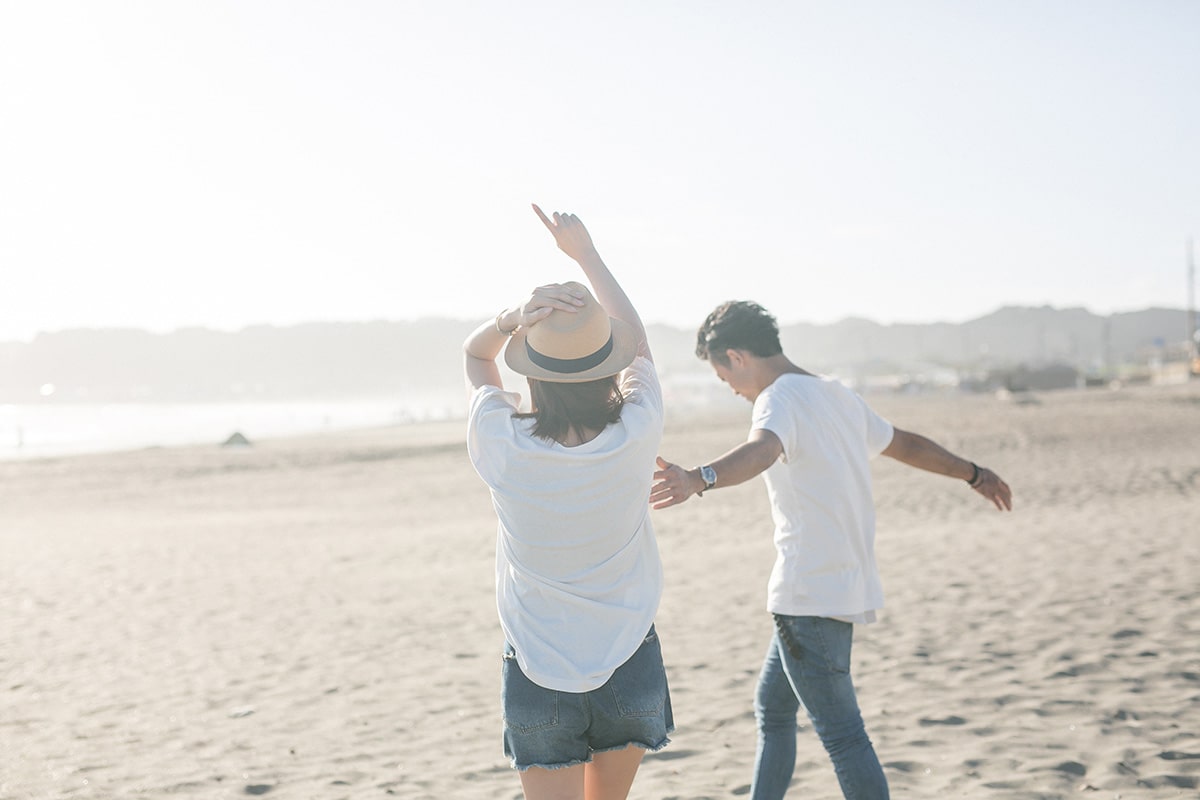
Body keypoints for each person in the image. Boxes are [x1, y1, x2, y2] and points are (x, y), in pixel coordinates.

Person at [650, 300, 1012, 800]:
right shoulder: (836, 394)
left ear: (736, 356)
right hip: (840, 586)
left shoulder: (777, 398)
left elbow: (763, 449)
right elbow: (904, 444)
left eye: (723, 376)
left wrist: (699, 478)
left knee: (844, 736)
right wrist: (972, 473)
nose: (731, 389)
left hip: (808, 592)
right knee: (773, 710)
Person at [464, 205, 673, 800]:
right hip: (628, 654)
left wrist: (513, 318)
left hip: (537, 665)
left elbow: (476, 358)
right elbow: (637, 345)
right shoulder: (636, 431)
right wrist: (584, 254)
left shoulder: (504, 443)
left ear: (533, 374)